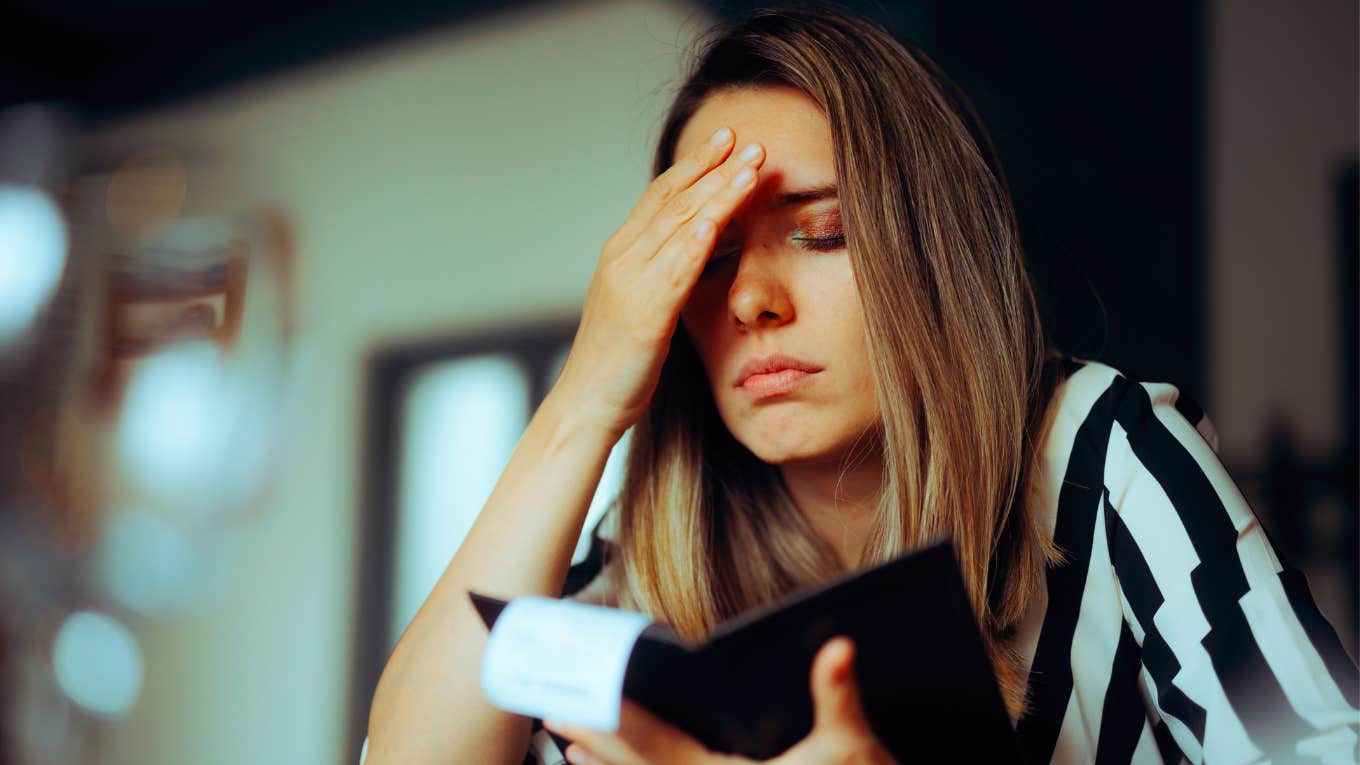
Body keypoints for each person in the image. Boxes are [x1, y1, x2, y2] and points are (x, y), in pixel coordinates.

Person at [362, 5, 1359, 764]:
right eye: (705, 258)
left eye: (822, 232)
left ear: (931, 253)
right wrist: (585, 397)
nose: (751, 297)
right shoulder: (645, 555)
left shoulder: (1102, 455)